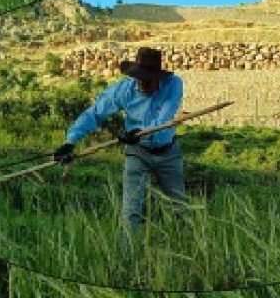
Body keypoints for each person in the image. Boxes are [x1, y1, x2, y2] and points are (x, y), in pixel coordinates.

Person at [53, 47, 186, 236]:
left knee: (179, 207)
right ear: (135, 77)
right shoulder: (124, 90)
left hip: (168, 153)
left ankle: (184, 245)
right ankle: (129, 255)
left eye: (151, 80)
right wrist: (71, 141)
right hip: (137, 153)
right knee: (130, 212)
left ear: (159, 77)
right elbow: (95, 113)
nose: (146, 85)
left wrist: (140, 132)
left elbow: (165, 118)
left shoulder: (173, 84)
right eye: (142, 79)